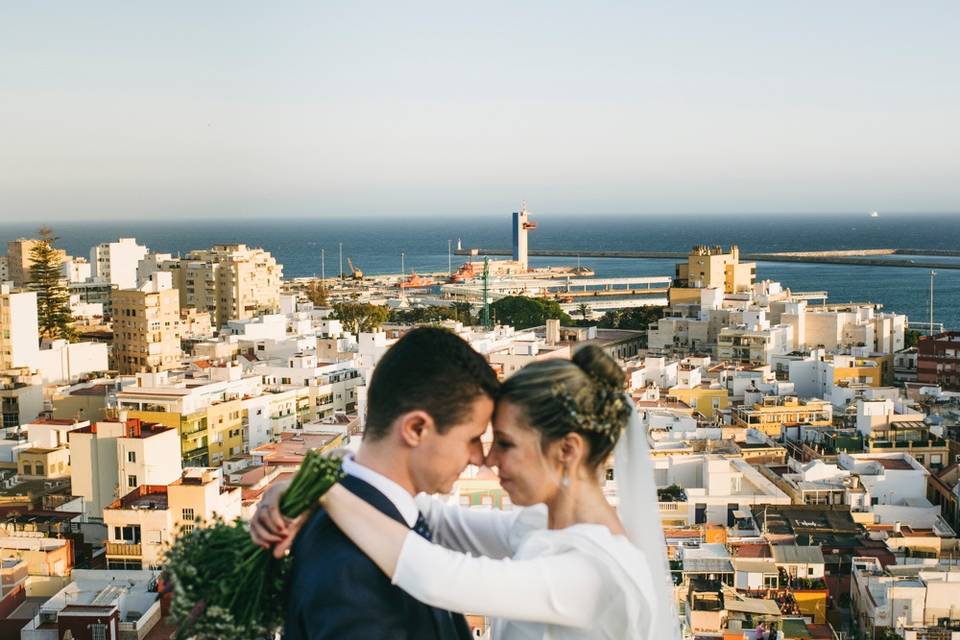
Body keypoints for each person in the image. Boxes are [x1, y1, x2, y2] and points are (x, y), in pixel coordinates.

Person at [253, 344, 679, 639]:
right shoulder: (539, 527)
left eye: (506, 444)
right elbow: (425, 515)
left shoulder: (593, 573)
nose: (488, 460)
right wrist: (297, 486)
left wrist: (325, 489)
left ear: (567, 449)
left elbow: (435, 574)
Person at [251, 327, 499, 639]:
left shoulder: (382, 512)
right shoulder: (348, 572)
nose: (481, 458)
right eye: (473, 439)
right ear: (416, 428)